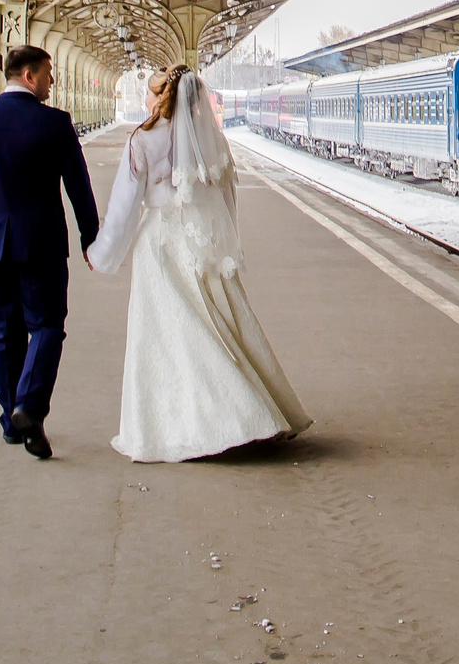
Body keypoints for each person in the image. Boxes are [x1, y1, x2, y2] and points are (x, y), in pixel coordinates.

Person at [87, 65, 310, 462]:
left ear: (161, 97)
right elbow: (227, 199)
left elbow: (123, 208)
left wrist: (102, 254)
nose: (146, 99)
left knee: (166, 333)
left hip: (159, 243)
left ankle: (195, 422)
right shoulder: (212, 140)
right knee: (220, 321)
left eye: (150, 92)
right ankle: (251, 410)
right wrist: (225, 244)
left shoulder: (142, 140)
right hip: (201, 243)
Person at [0, 43, 99, 460]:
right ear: (29, 76)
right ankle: (29, 408)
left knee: (5, 332)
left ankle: (10, 423)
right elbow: (78, 186)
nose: (54, 81)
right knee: (47, 326)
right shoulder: (55, 124)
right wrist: (91, 236)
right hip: (42, 245)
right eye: (49, 74)